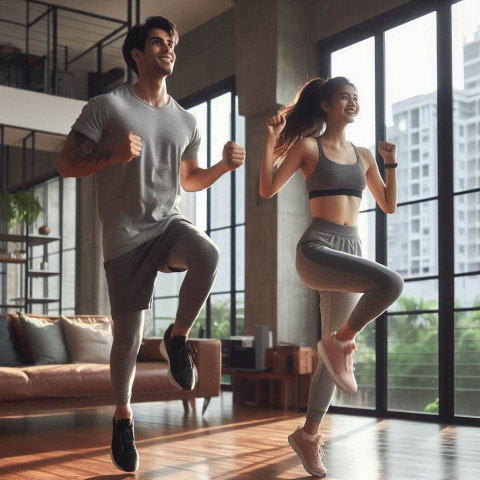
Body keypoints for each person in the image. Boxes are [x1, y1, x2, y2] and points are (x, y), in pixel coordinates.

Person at [57, 16, 245, 473]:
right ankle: (123, 416)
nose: (168, 49)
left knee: (208, 253)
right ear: (137, 55)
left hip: (168, 225)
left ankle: (177, 337)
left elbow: (188, 179)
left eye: (172, 44)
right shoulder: (107, 106)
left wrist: (221, 167)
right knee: (127, 337)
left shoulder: (185, 120)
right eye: (158, 43)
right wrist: (112, 155)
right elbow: (66, 163)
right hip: (124, 239)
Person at [259, 76, 403, 477]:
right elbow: (268, 188)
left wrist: (389, 162)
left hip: (351, 250)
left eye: (356, 98)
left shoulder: (363, 156)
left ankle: (307, 435)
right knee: (391, 283)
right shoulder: (309, 146)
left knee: (328, 360)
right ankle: (342, 341)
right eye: (345, 97)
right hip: (317, 250)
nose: (353, 103)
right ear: (326, 105)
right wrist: (269, 140)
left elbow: (388, 204)